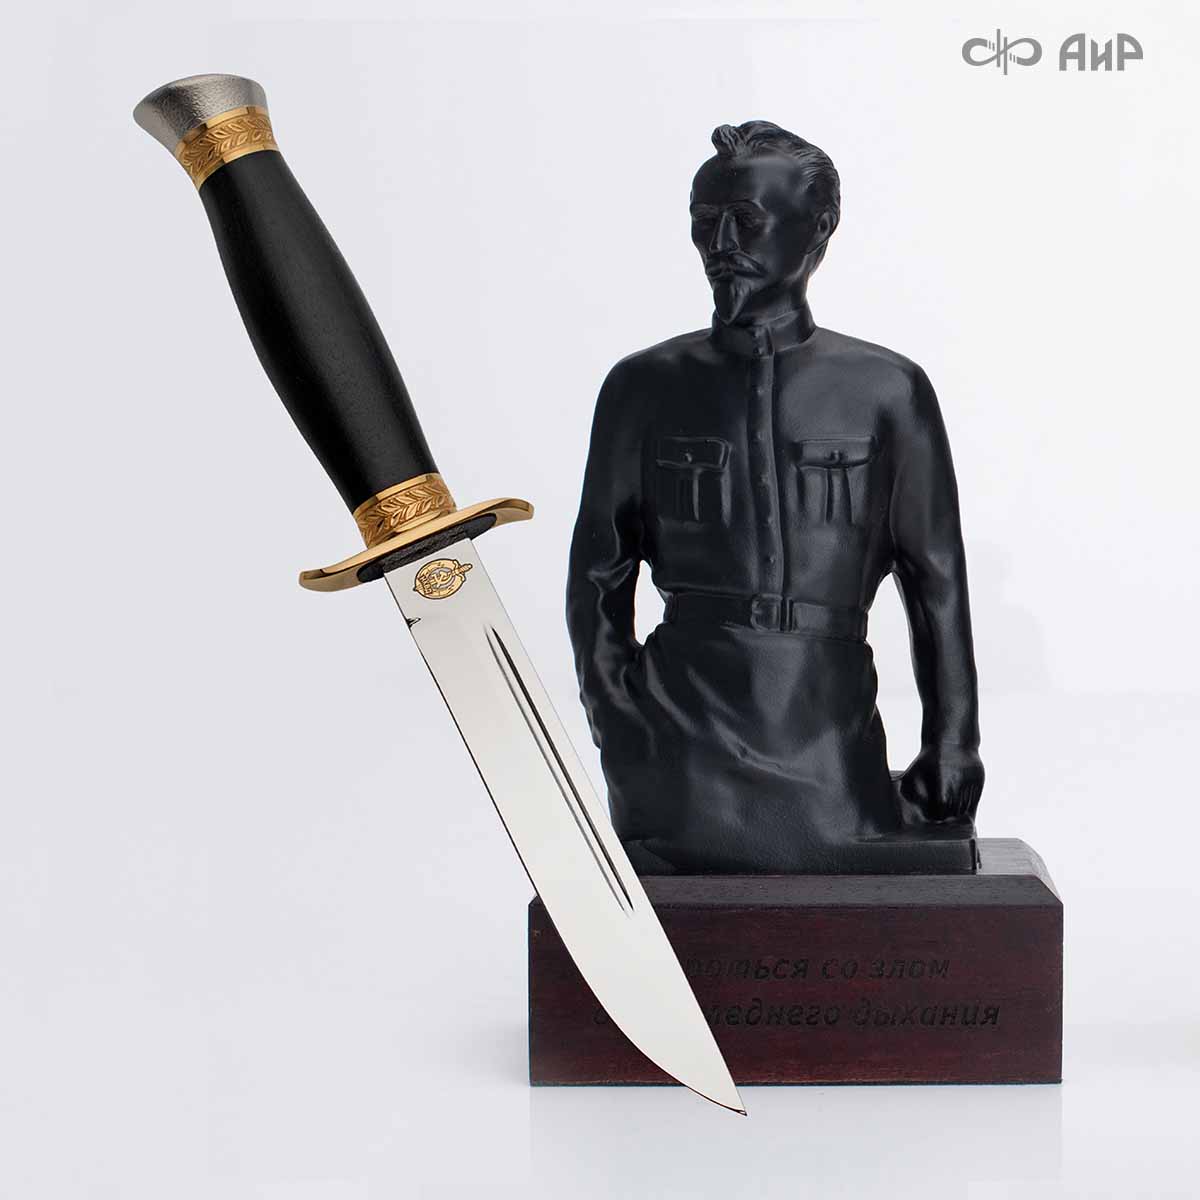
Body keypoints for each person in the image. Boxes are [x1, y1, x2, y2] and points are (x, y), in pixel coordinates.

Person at [567, 121, 984, 874]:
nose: (721, 243)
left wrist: (954, 742)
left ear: (818, 226)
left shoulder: (888, 390)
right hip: (679, 729)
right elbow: (599, 571)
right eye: (704, 222)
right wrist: (617, 715)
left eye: (746, 220)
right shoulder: (643, 386)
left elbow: (936, 582)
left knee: (866, 868)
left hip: (826, 728)